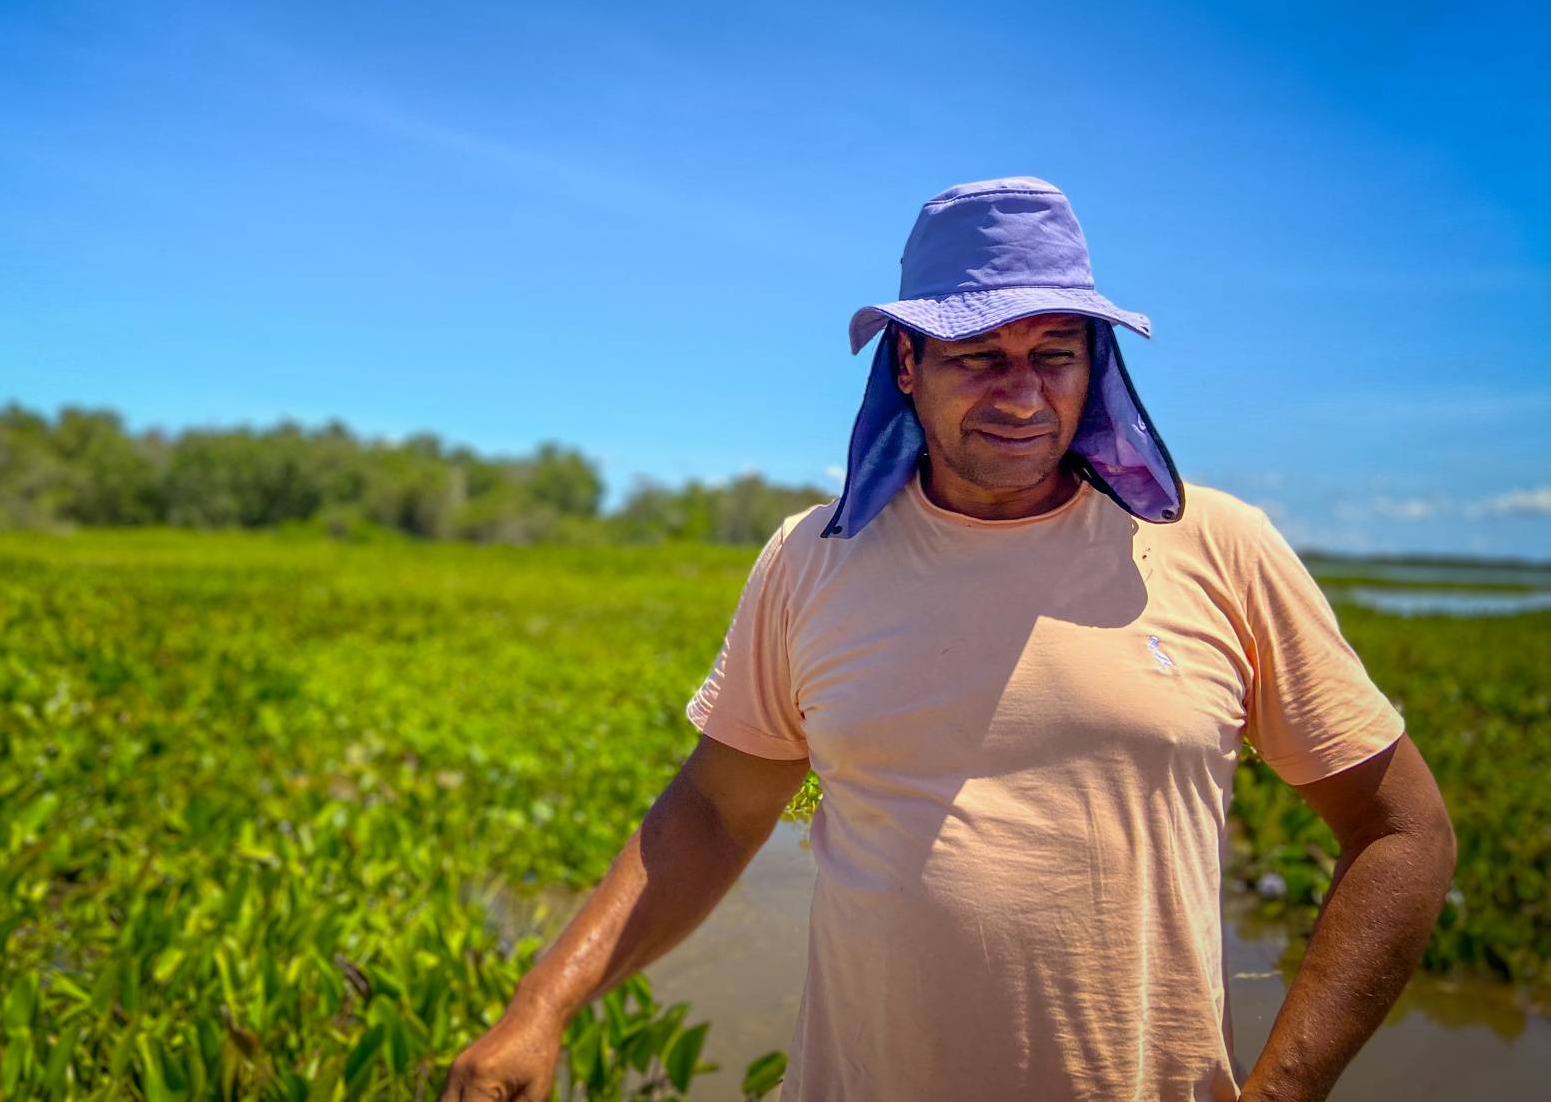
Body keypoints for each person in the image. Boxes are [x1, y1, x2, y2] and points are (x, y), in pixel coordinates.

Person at [439, 176, 1456, 1102]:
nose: (1022, 393)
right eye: (979, 357)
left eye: (1054, 355)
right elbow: (713, 810)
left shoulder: (1219, 544)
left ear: (1094, 365)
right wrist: (541, 1008)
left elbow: (1402, 832)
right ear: (907, 363)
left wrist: (1279, 1093)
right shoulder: (812, 559)